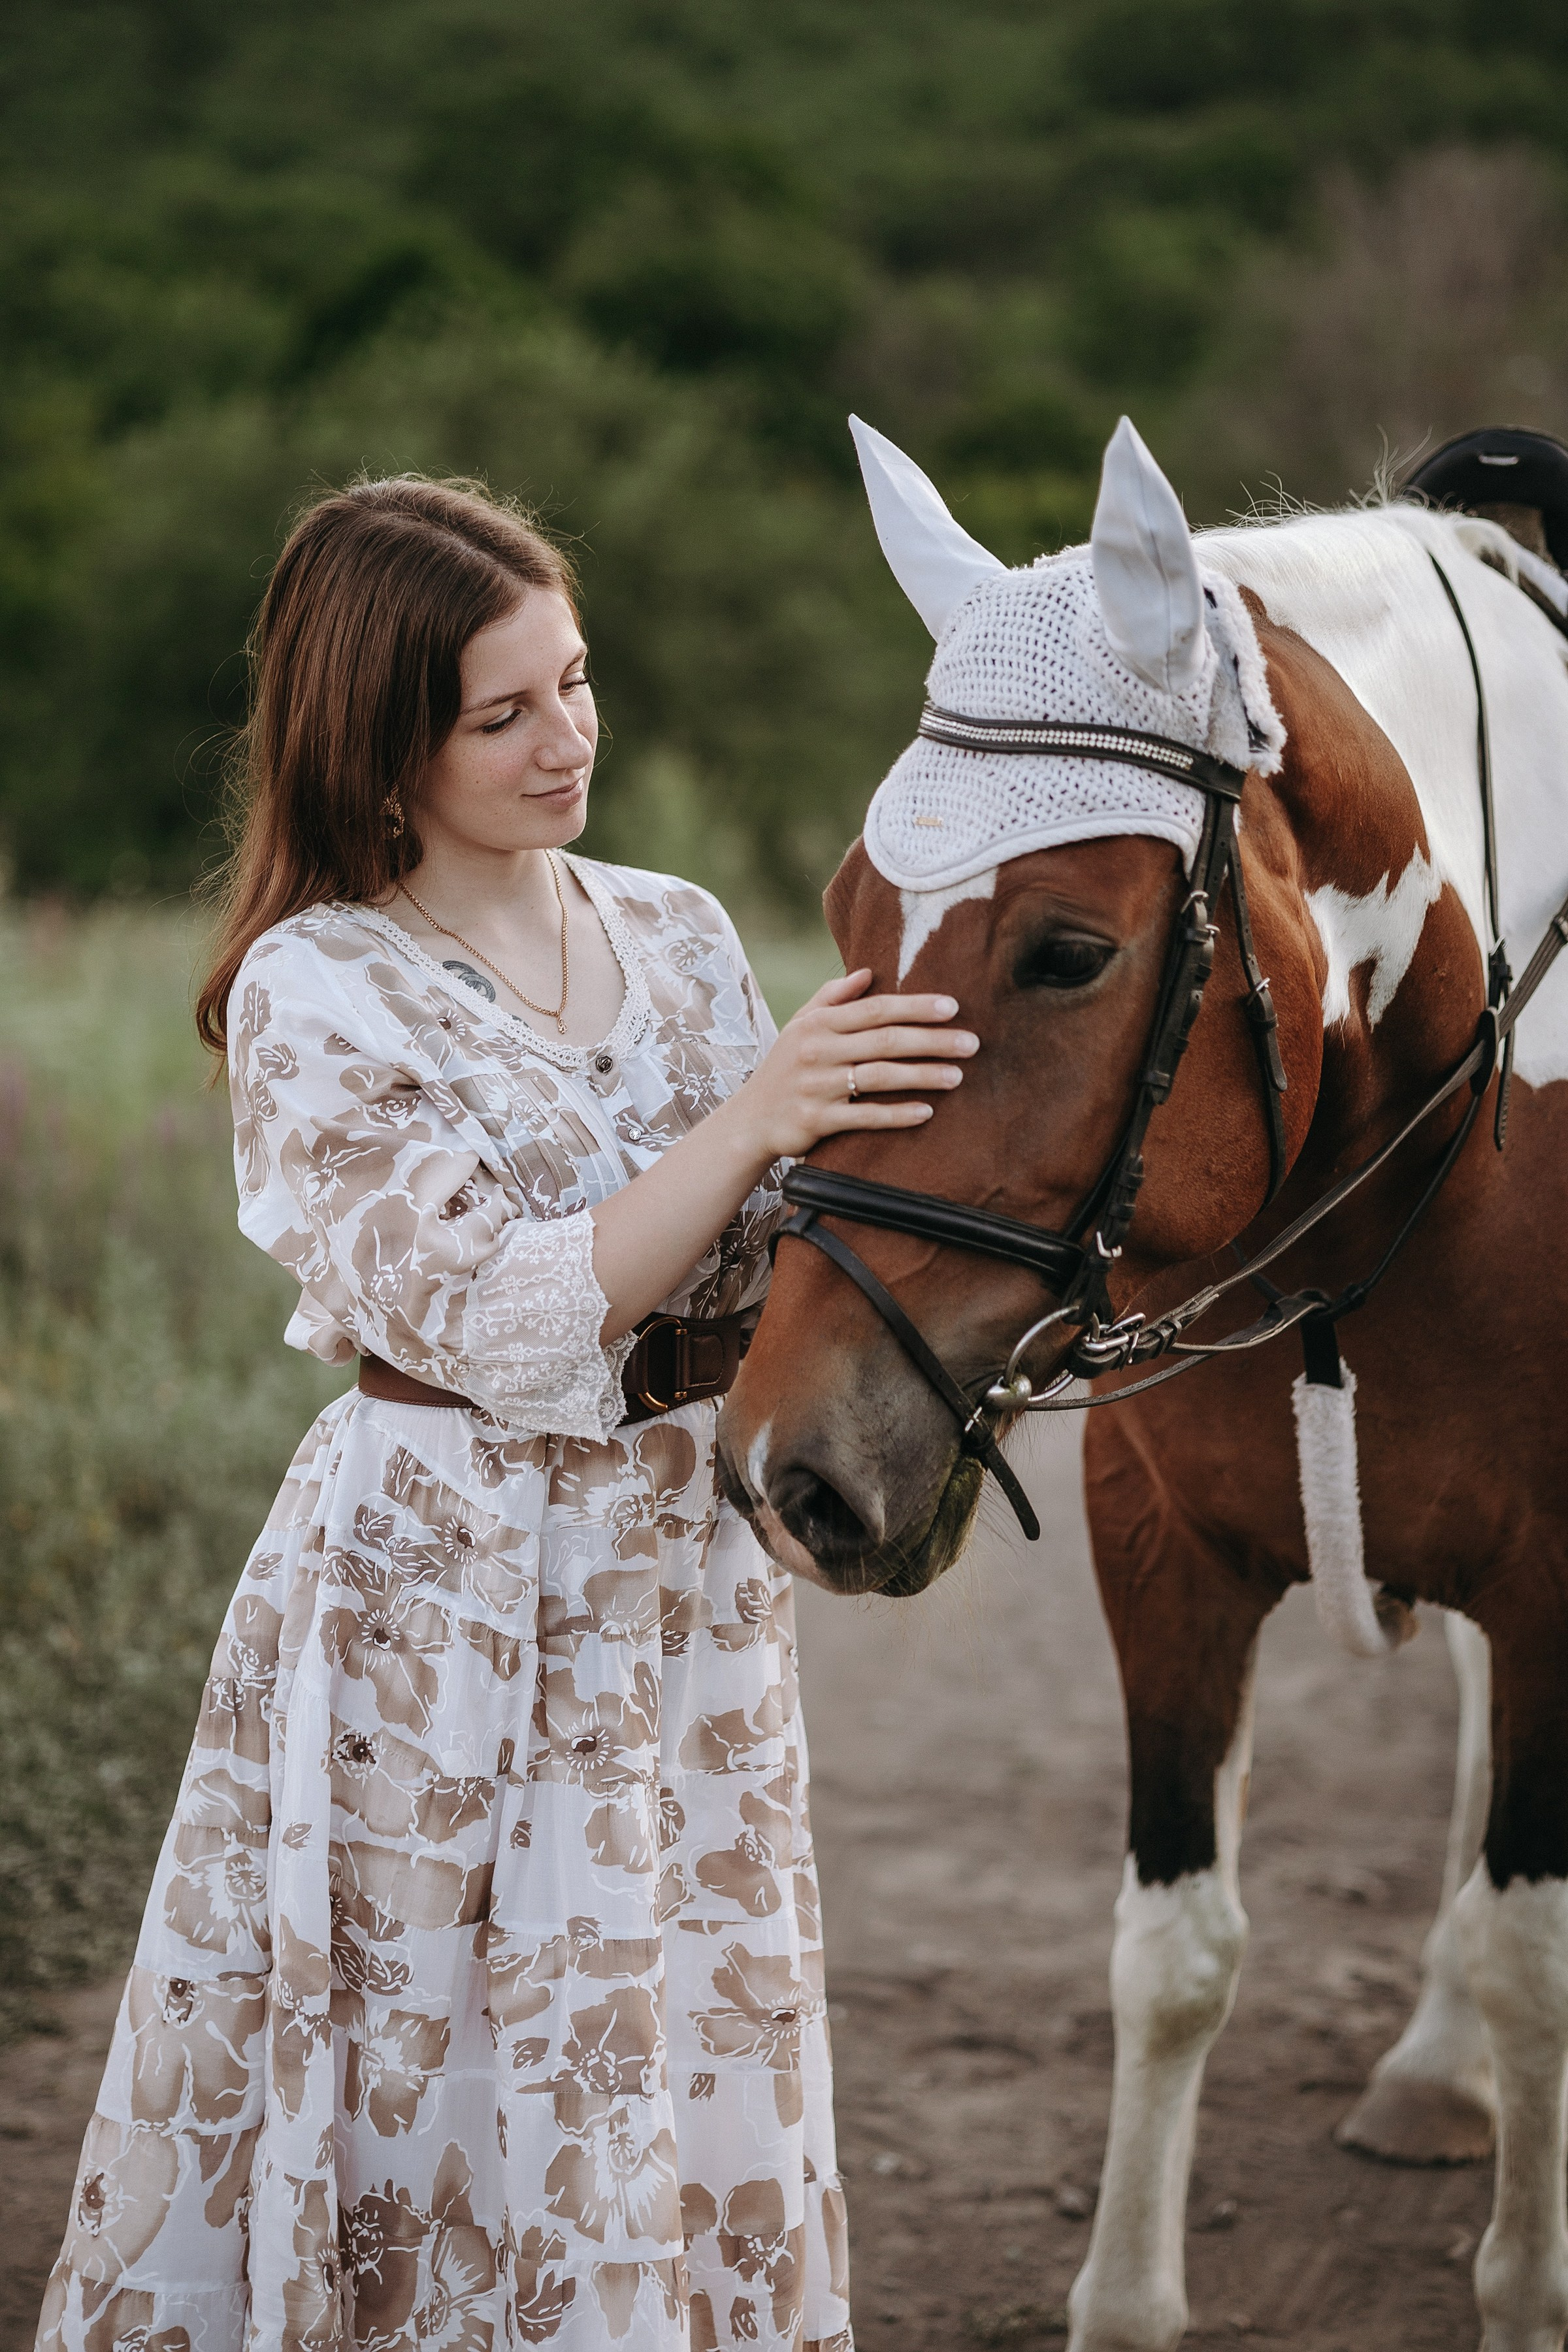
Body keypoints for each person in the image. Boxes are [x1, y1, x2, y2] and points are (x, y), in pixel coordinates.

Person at [36, 475, 977, 2352]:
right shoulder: (320, 987)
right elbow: (506, 1310)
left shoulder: (681, 928)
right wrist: (753, 1121)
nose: (571, 739)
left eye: (578, 681)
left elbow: (772, 1262)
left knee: (677, 2024)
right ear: (381, 750)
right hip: (444, 1591)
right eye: (506, 713)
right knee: (451, 2047)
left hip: (678, 1590)